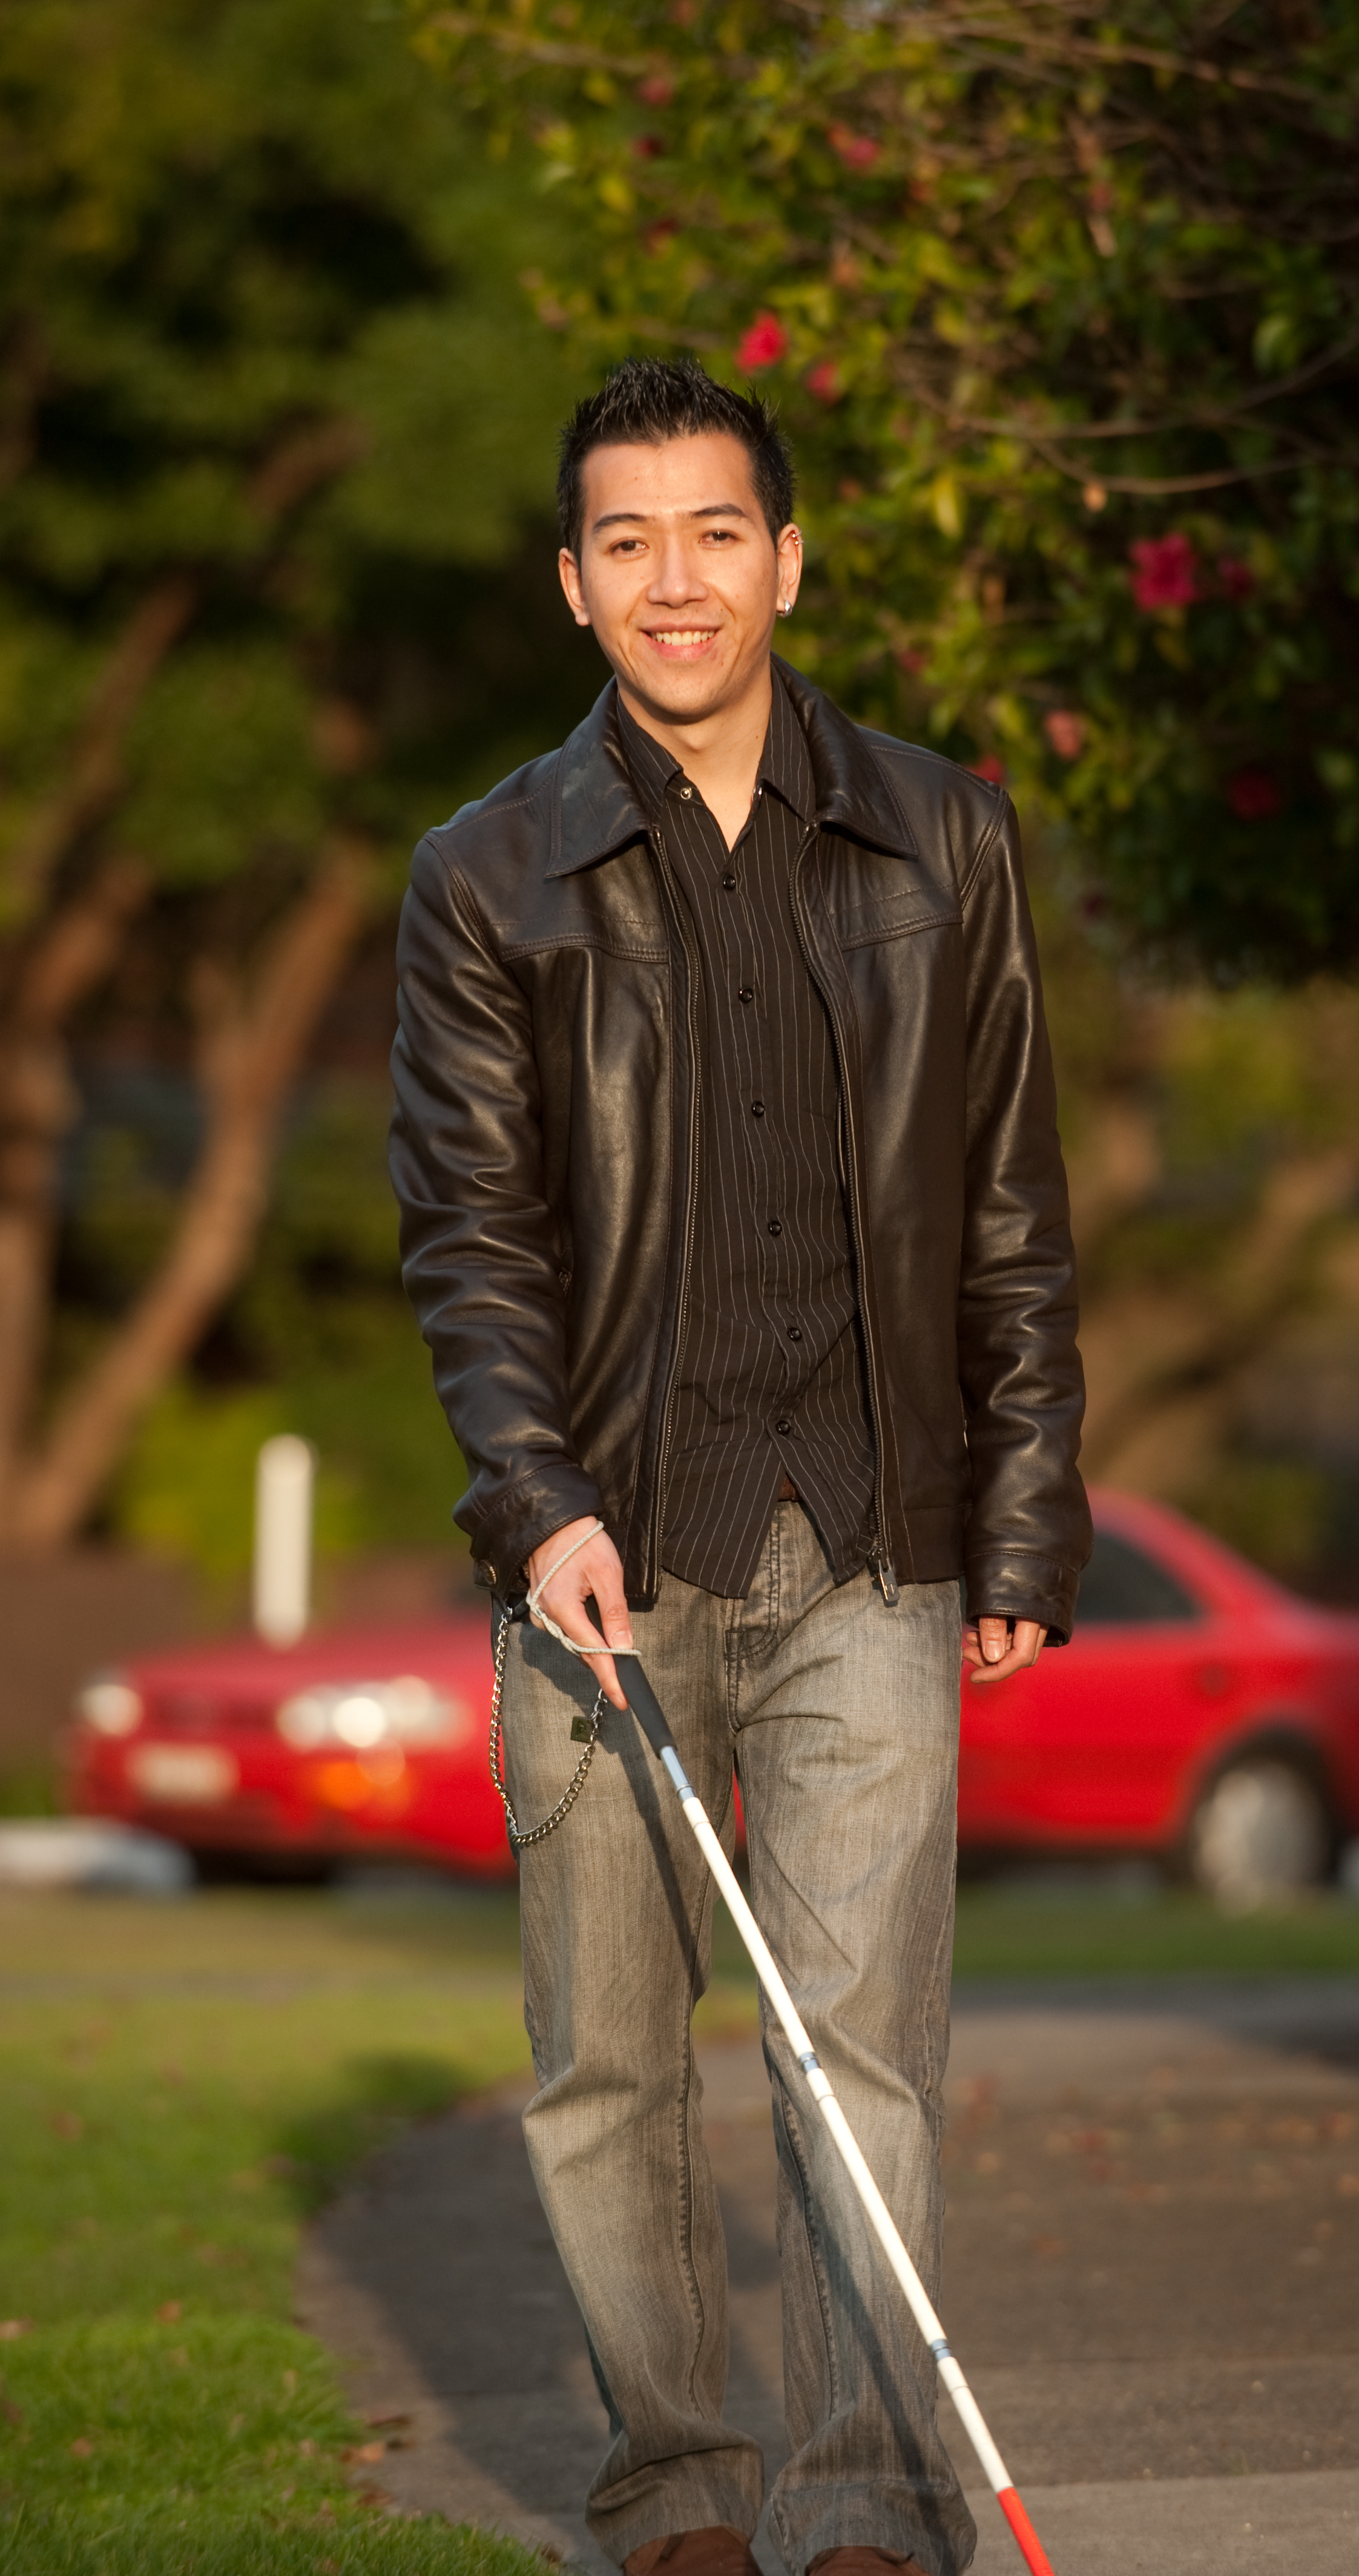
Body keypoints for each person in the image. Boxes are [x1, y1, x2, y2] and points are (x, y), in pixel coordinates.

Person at [390, 356, 1088, 2576]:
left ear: (788, 560)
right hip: (604, 1549)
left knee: (856, 2054)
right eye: (629, 543)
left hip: (870, 1533)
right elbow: (472, 1240)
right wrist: (534, 1497)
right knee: (610, 2067)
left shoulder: (945, 836)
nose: (676, 580)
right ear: (574, 589)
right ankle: (680, 2501)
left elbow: (1009, 1207)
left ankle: (871, 2514)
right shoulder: (482, 880)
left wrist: (1024, 1513)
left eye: (716, 534)